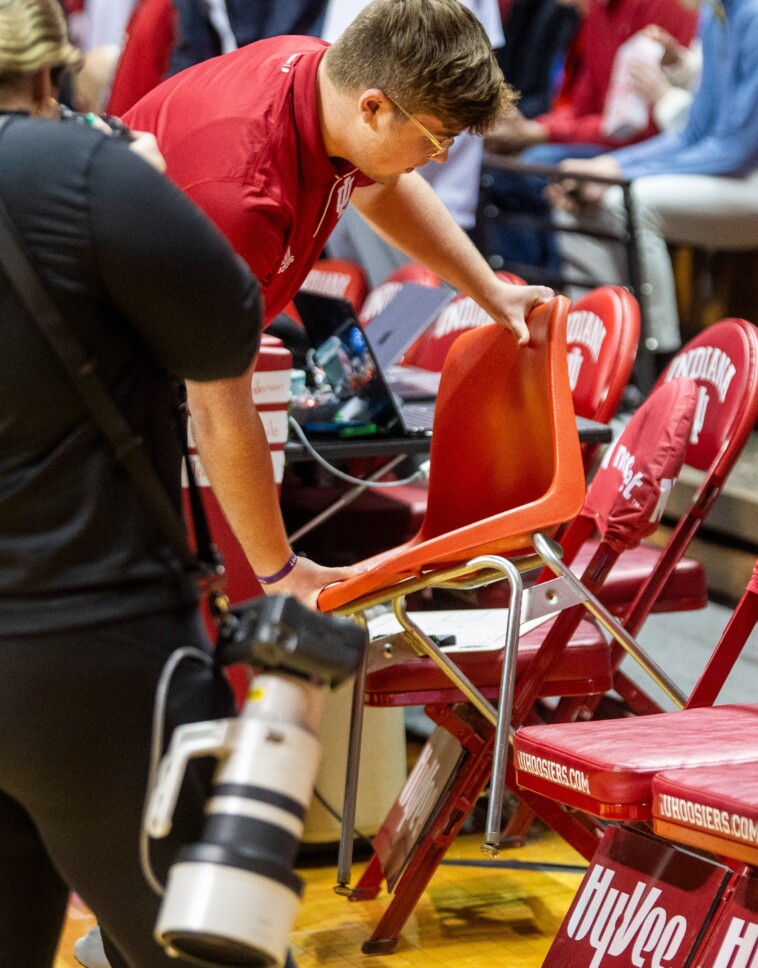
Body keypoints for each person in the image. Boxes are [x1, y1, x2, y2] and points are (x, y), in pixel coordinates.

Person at [123, 0, 554, 609]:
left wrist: (489, 289)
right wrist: (279, 573)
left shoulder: (318, 73)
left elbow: (383, 188)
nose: (439, 159)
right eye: (436, 138)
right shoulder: (242, 197)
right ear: (373, 106)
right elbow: (220, 408)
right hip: (85, 371)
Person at [0, 2, 266, 967]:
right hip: (90, 641)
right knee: (197, 949)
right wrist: (142, 187)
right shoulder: (80, 169)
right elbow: (226, 336)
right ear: (47, 76)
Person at [548, 0, 758, 355]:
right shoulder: (717, 11)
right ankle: (598, 350)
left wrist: (617, 174)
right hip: (733, 172)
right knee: (577, 198)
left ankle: (654, 356)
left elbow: (735, 150)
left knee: (625, 201)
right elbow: (693, 133)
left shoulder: (751, 14)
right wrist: (607, 167)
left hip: (748, 180)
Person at [482, 0, 698, 273]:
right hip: (618, 139)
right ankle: (523, 285)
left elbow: (640, 128)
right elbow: (585, 106)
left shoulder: (663, 7)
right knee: (502, 164)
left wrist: (538, 132)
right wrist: (533, 128)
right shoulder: (598, 10)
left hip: (648, 146)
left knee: (528, 168)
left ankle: (543, 286)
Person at [318, 0, 505, 287]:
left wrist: (490, 290)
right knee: (357, 306)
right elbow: (335, 58)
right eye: (437, 142)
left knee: (409, 316)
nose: (441, 153)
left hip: (423, 194)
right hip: (352, 168)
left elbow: (473, 80)